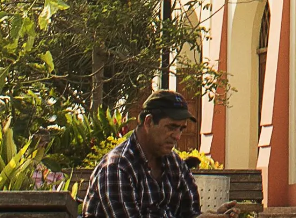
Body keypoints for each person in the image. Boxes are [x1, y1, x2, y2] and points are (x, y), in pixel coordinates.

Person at [85, 90, 229, 218]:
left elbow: (190, 212)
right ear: (148, 122)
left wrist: (214, 215)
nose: (177, 136)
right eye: (171, 127)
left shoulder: (175, 164)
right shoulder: (118, 167)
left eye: (181, 129)